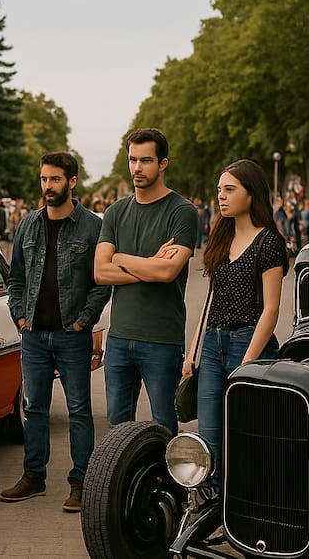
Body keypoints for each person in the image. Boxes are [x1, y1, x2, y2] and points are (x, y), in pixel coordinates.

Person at [0, 152, 111, 512]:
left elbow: (101, 282)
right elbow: (15, 279)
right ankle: (34, 476)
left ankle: (80, 483)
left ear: (72, 182)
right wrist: (19, 318)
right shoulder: (28, 225)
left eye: (55, 180)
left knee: (79, 410)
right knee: (34, 408)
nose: (48, 186)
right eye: (44, 180)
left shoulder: (92, 227)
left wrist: (84, 321)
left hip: (71, 334)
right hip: (33, 335)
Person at [183, 159, 287, 491]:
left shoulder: (269, 241)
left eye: (230, 190)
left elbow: (271, 310)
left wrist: (248, 362)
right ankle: (211, 501)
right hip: (212, 346)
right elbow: (211, 298)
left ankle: (246, 500)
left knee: (244, 431)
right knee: (209, 432)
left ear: (251, 194)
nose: (221, 197)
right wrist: (192, 352)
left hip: (249, 342)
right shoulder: (221, 237)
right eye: (219, 191)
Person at [95, 128, 198, 435]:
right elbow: (100, 272)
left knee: (164, 426)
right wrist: (150, 263)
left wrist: (121, 258)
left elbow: (167, 273)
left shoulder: (183, 212)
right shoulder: (115, 212)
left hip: (161, 339)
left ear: (163, 163)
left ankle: (167, 483)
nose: (137, 167)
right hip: (119, 337)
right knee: (117, 427)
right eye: (132, 159)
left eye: (146, 160)